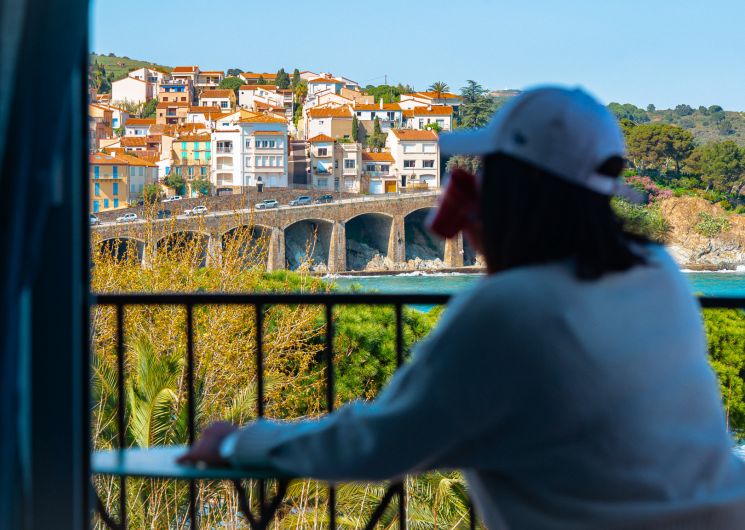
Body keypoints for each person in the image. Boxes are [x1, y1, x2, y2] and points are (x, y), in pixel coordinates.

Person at [179, 87, 745, 529]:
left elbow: (379, 444)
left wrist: (238, 441)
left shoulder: (510, 309)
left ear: (508, 190)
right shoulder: (657, 272)